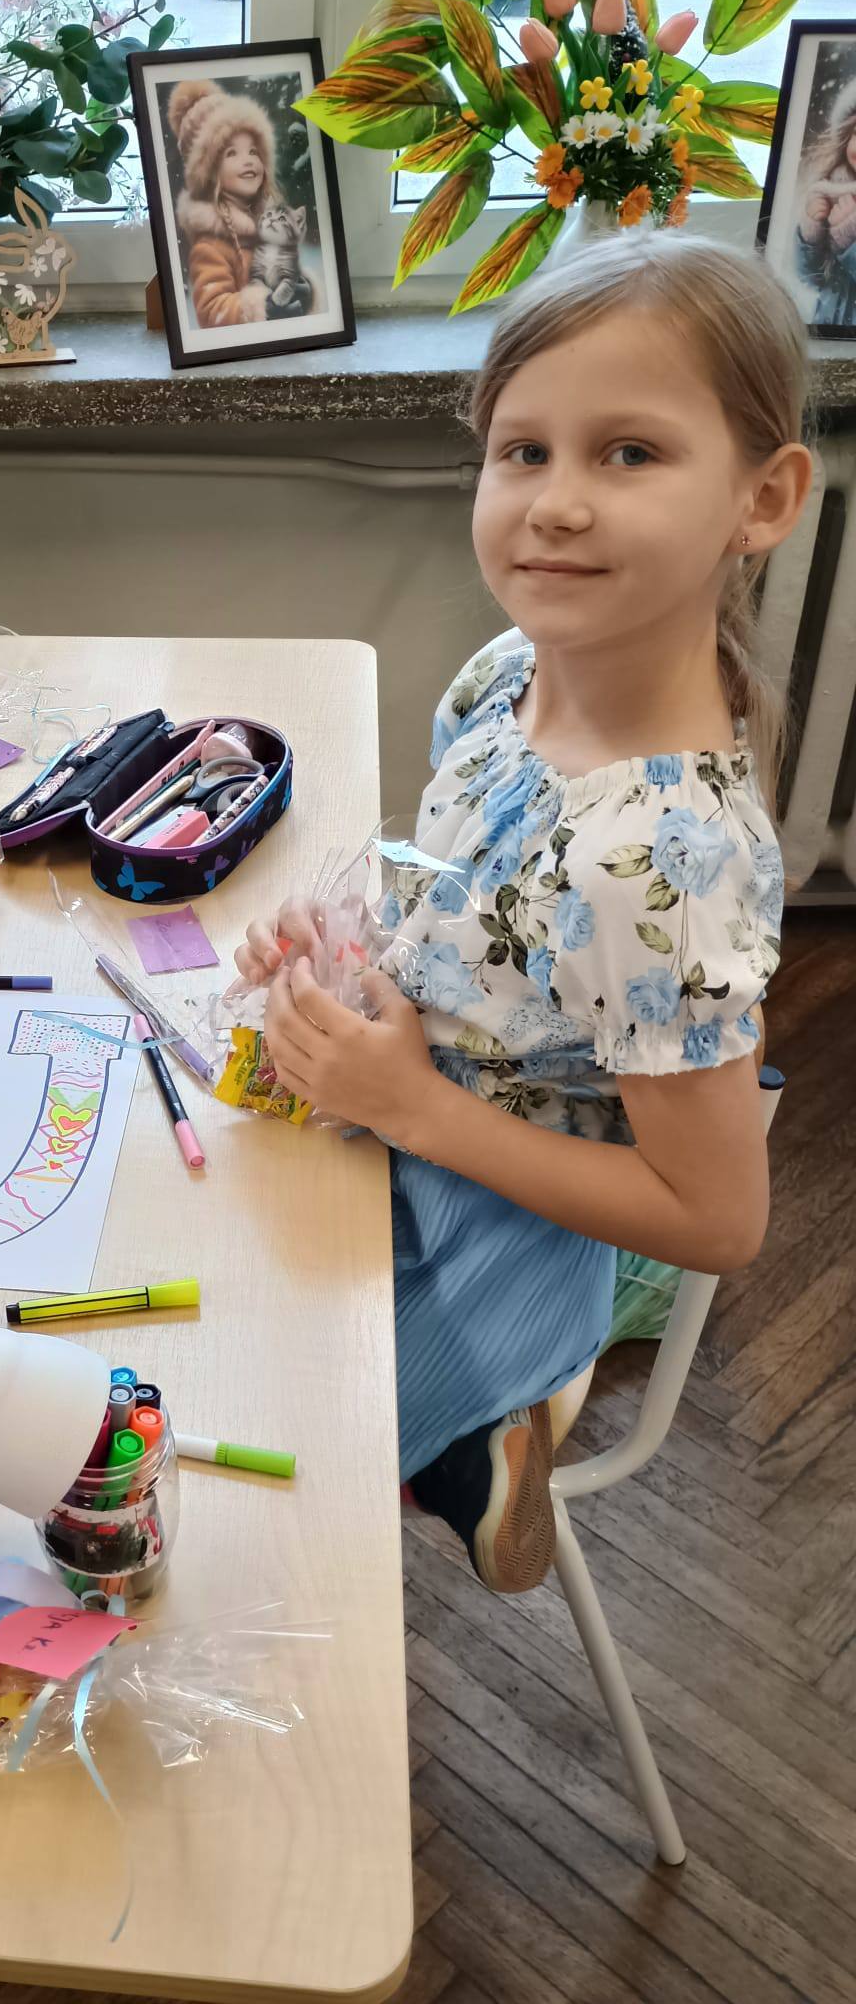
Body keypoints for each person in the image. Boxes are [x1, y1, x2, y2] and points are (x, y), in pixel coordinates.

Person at [234, 233, 809, 1591]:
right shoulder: (508, 676)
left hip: (494, 1223)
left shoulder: (660, 866)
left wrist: (412, 1107)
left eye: (629, 453)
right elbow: (473, 907)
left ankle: (487, 1418)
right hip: (412, 1120)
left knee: (238, 1428)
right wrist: (351, 952)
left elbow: (718, 1219)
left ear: (764, 497)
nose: (555, 503)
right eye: (523, 451)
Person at [166, 79, 311, 328]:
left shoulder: (270, 223)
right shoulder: (210, 245)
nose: (248, 160)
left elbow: (287, 270)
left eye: (253, 151)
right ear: (209, 170)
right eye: (232, 153)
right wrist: (262, 306)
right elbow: (211, 309)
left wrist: (304, 291)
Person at [796, 93, 856, 331]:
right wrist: (811, 234)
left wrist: (848, 242)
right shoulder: (830, 187)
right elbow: (810, 277)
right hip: (827, 326)